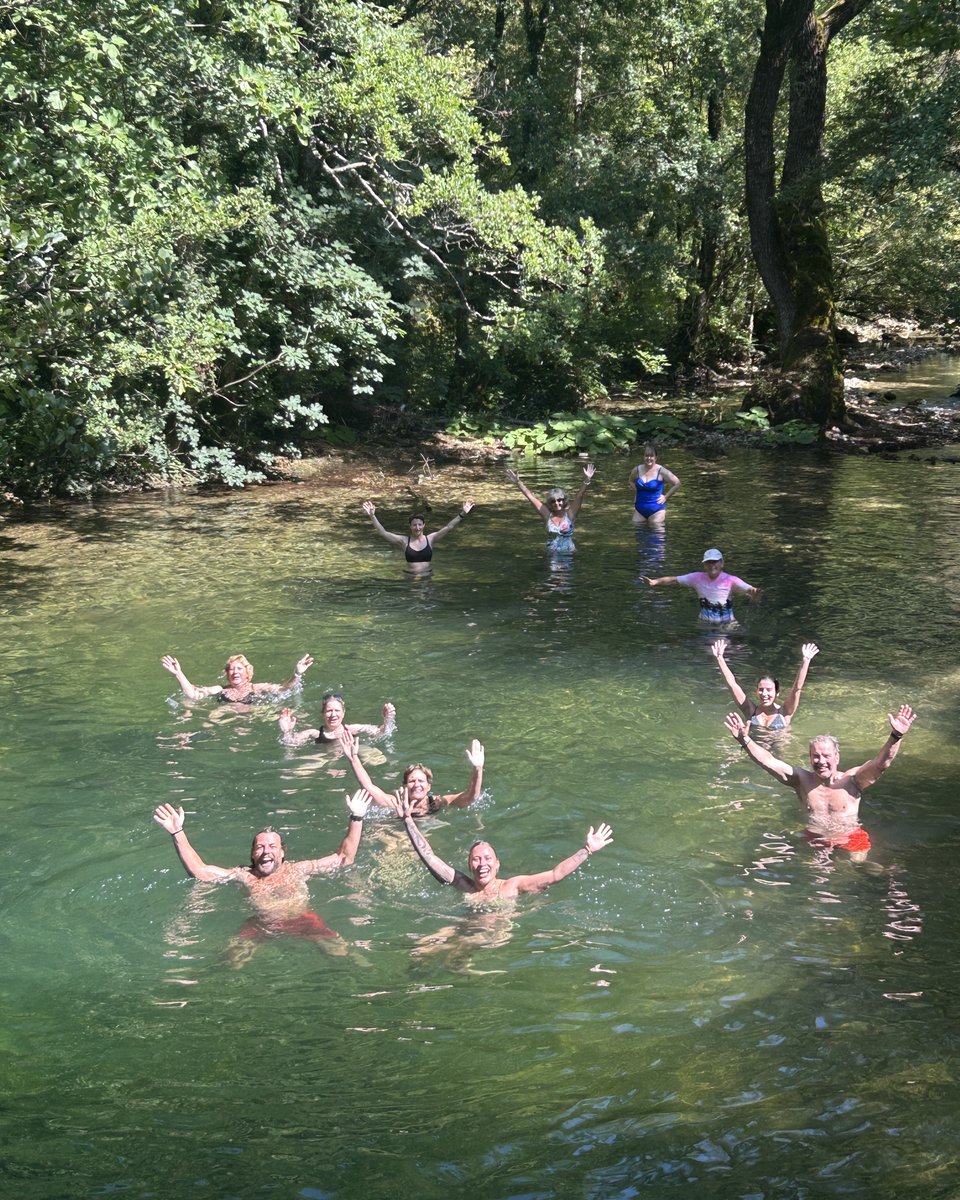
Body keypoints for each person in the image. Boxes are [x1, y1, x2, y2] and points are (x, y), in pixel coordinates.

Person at [152, 791, 371, 950]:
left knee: (341, 951)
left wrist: (357, 817)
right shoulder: (243, 875)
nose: (266, 851)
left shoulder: (299, 869)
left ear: (282, 853)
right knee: (231, 959)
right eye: (260, 847)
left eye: (272, 846)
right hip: (260, 924)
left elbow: (344, 858)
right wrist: (177, 832)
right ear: (252, 855)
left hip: (303, 920)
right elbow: (200, 871)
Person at [724, 704, 917, 860]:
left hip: (851, 835)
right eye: (815, 756)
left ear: (837, 757)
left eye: (826, 756)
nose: (821, 761)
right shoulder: (800, 779)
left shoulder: (853, 780)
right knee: (816, 876)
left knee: (858, 866)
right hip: (815, 836)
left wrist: (896, 736)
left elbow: (881, 764)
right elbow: (768, 761)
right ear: (809, 758)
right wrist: (745, 740)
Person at [400, 795, 613, 900]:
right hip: (466, 931)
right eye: (476, 859)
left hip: (493, 939)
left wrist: (587, 850)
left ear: (497, 864)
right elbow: (429, 857)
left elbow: (555, 875)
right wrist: (408, 820)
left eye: (487, 858)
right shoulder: (463, 885)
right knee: (423, 948)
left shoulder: (512, 886)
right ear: (469, 864)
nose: (482, 863)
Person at [338, 728, 485, 816]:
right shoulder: (395, 803)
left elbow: (470, 797)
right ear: (404, 786)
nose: (416, 785)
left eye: (421, 781)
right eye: (412, 781)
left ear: (429, 786)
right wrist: (353, 758)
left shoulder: (436, 803)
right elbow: (368, 787)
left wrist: (477, 769)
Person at [712, 639, 819, 730]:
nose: (764, 693)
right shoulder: (750, 711)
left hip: (778, 754)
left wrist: (806, 660)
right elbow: (732, 684)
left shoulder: (785, 711)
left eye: (769, 690)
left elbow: (797, 688)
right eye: (761, 689)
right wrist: (719, 658)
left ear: (777, 692)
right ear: (756, 691)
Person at [640, 547, 759, 625]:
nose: (712, 565)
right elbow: (673, 580)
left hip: (728, 624)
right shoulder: (696, 578)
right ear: (704, 565)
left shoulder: (730, 580)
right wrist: (654, 582)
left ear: (722, 563)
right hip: (704, 623)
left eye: (715, 562)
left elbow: (749, 589)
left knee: (739, 650)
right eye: (708, 562)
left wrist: (754, 592)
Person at [361, 500, 475, 571]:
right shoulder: (404, 541)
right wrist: (372, 516)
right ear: (410, 526)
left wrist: (463, 513)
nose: (417, 528)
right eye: (414, 525)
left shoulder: (431, 539)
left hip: (427, 576)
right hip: (410, 577)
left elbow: (449, 527)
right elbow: (383, 532)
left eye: (420, 525)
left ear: (424, 525)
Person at [505, 463, 596, 552]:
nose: (557, 503)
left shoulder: (570, 514)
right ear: (550, 503)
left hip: (568, 555)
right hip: (552, 555)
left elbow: (580, 495)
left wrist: (587, 479)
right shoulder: (547, 515)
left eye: (559, 500)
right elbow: (531, 497)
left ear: (564, 500)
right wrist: (518, 483)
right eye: (553, 501)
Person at [161, 652, 313, 703]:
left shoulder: (256, 688)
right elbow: (194, 694)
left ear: (247, 673)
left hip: (251, 718)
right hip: (226, 721)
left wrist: (297, 673)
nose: (235, 672)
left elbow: (283, 689)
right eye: (231, 669)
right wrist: (178, 673)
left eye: (239, 669)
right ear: (227, 674)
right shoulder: (220, 689)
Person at [279, 693, 396, 747]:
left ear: (343, 713)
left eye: (337, 710)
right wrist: (286, 731)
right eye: (329, 711)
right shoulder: (314, 733)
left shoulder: (352, 729)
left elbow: (382, 733)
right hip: (324, 759)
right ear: (323, 713)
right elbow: (290, 743)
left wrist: (388, 720)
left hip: (352, 754)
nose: (333, 714)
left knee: (378, 760)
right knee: (298, 773)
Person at [630, 444, 681, 527]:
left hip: (657, 510)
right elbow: (631, 481)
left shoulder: (661, 471)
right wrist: (637, 492)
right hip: (639, 510)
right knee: (640, 537)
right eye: (646, 455)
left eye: (651, 456)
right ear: (643, 457)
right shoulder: (637, 470)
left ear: (655, 458)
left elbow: (677, 483)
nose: (649, 458)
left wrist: (666, 497)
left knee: (656, 537)